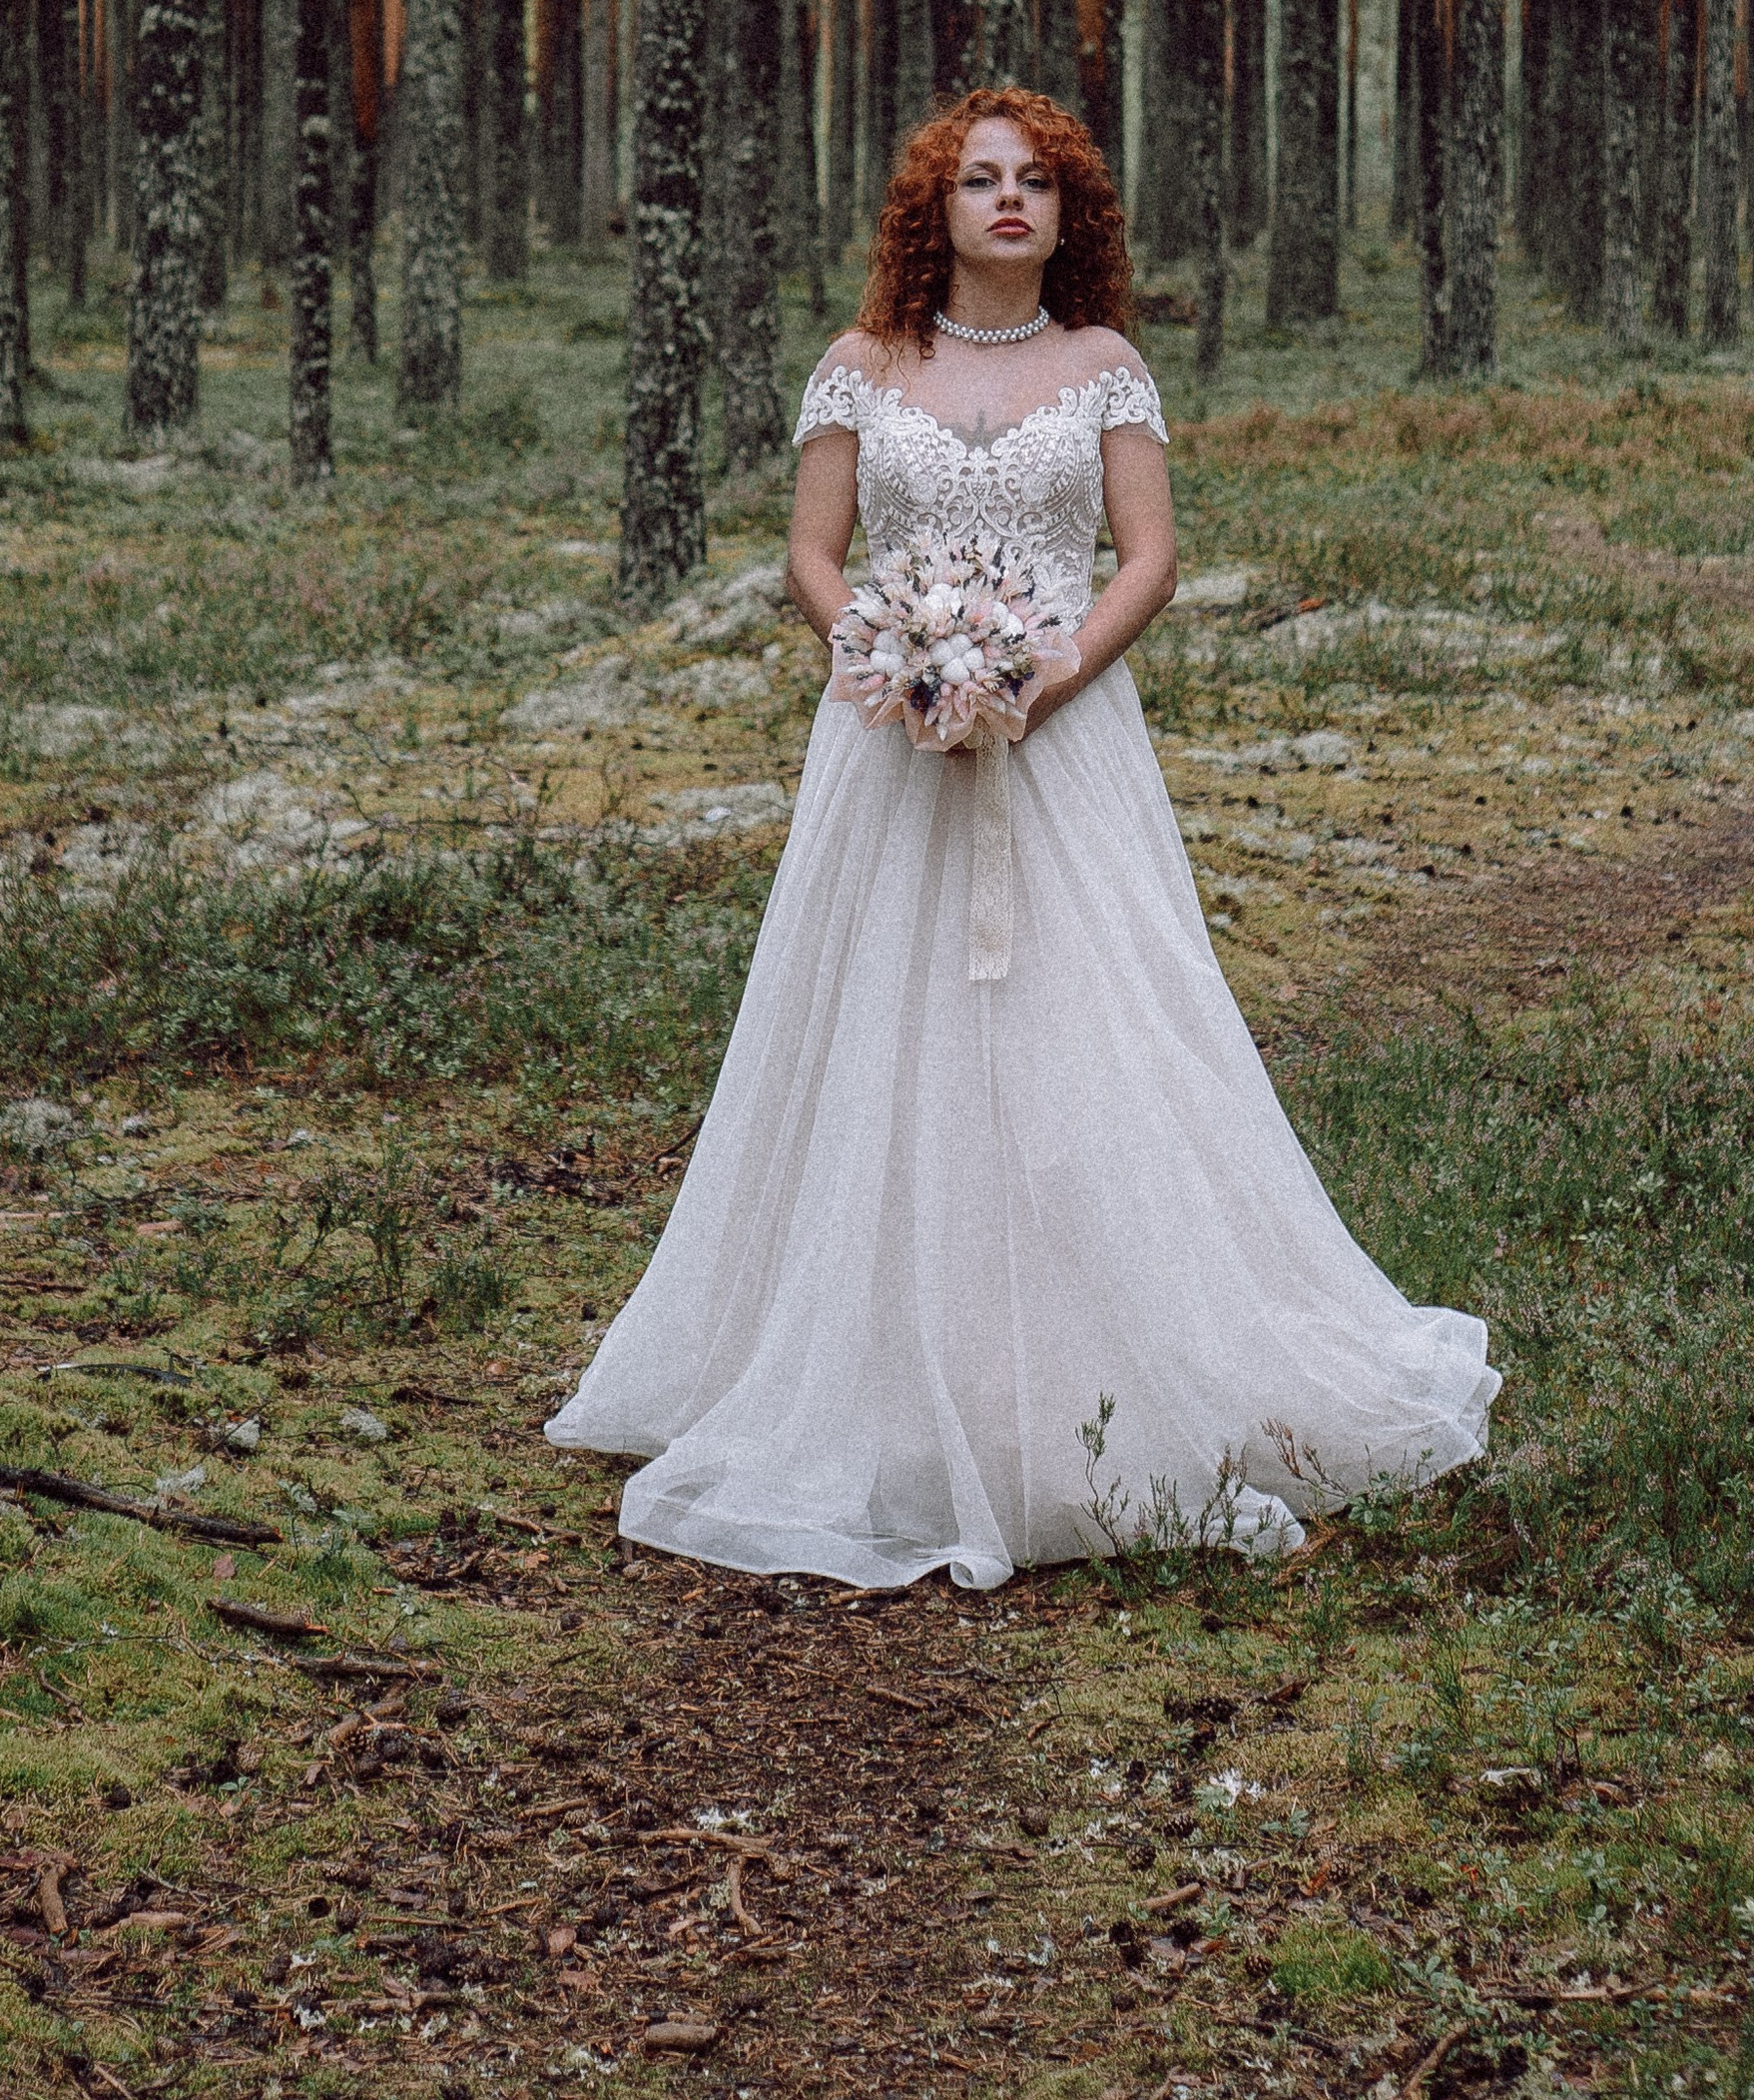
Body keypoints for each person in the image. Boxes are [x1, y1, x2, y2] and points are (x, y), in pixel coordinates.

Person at [546, 88, 1496, 1591]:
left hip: (1068, 743)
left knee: (1088, 1023)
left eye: (1036, 182)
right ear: (934, 208)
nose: (1009, 200)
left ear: (1069, 215)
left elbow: (1151, 558)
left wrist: (1044, 677)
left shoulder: (1105, 367)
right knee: (878, 1027)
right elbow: (811, 552)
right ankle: (861, 1368)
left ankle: (1091, 1365)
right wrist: (892, 655)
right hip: (888, 747)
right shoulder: (861, 367)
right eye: (980, 179)